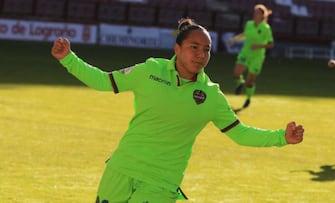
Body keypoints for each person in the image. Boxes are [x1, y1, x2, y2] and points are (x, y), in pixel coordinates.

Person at [51, 18, 304, 203]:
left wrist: (282, 137)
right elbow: (104, 81)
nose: (201, 54)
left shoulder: (212, 95)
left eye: (206, 49)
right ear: (177, 49)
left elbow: (240, 133)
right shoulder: (150, 70)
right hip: (121, 168)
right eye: (194, 47)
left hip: (160, 183)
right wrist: (68, 59)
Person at [227, 4, 274, 110]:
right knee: (236, 73)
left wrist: (259, 46)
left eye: (257, 13)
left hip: (257, 56)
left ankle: (248, 98)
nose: (255, 14)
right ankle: (239, 83)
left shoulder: (266, 28)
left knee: (250, 81)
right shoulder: (249, 24)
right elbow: (245, 34)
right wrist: (234, 39)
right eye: (254, 12)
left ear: (262, 15)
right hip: (246, 53)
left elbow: (271, 44)